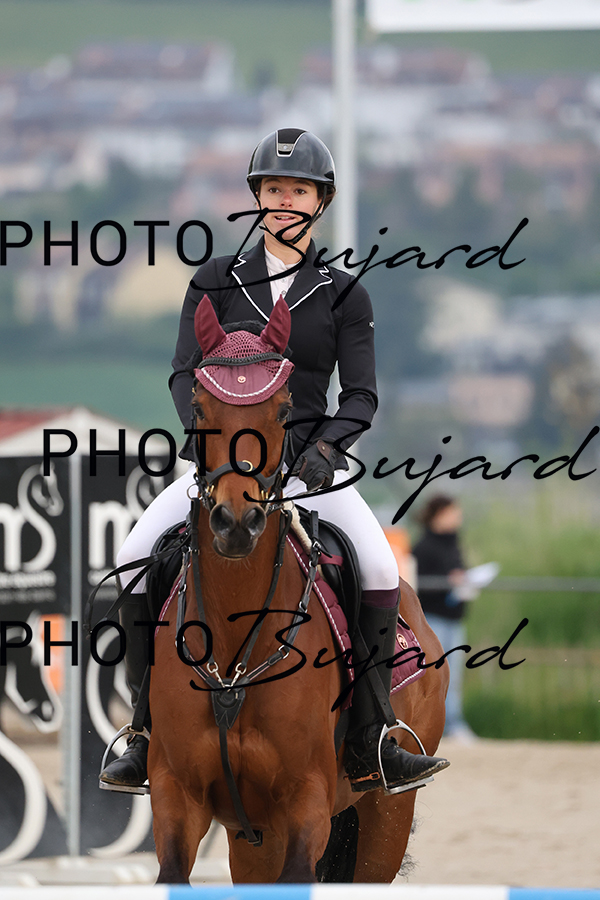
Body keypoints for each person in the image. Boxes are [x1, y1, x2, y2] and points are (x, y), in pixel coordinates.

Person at [100, 128, 449, 792]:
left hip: (310, 466)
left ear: (321, 202)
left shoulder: (345, 294)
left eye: (298, 191)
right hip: (222, 467)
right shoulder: (214, 281)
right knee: (134, 555)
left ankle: (372, 736)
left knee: (380, 569)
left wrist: (326, 451)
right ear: (257, 197)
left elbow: (362, 395)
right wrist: (209, 449)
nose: (284, 200)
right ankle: (143, 732)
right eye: (273, 189)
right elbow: (183, 373)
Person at [412, 493, 477, 742]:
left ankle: (454, 723)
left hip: (453, 618)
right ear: (439, 515)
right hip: (433, 619)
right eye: (453, 512)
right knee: (434, 675)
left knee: (454, 676)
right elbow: (418, 584)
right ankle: (431, 724)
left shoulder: (454, 543)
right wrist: (448, 582)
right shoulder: (423, 547)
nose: (458, 517)